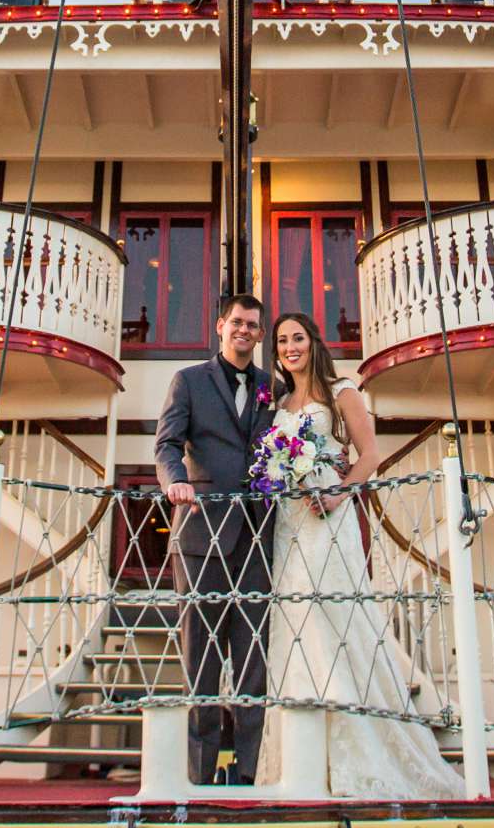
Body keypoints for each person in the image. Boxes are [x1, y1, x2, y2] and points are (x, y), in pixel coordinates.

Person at [257, 311, 460, 799]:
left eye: (298, 338)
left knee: (335, 616)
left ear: (313, 341)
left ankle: (360, 747)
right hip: (290, 517)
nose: (290, 347)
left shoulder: (340, 389)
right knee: (295, 620)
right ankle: (302, 756)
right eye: (282, 340)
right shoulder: (279, 401)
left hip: (330, 512)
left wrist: (338, 494)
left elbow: (369, 455)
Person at [153, 293, 276, 785]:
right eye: (236, 323)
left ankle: (248, 774)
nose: (244, 331)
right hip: (201, 535)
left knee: (252, 662)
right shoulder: (187, 380)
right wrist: (173, 482)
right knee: (201, 662)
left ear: (260, 334)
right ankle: (201, 777)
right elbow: (166, 444)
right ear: (220, 326)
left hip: (257, 538)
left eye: (253, 325)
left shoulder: (273, 387)